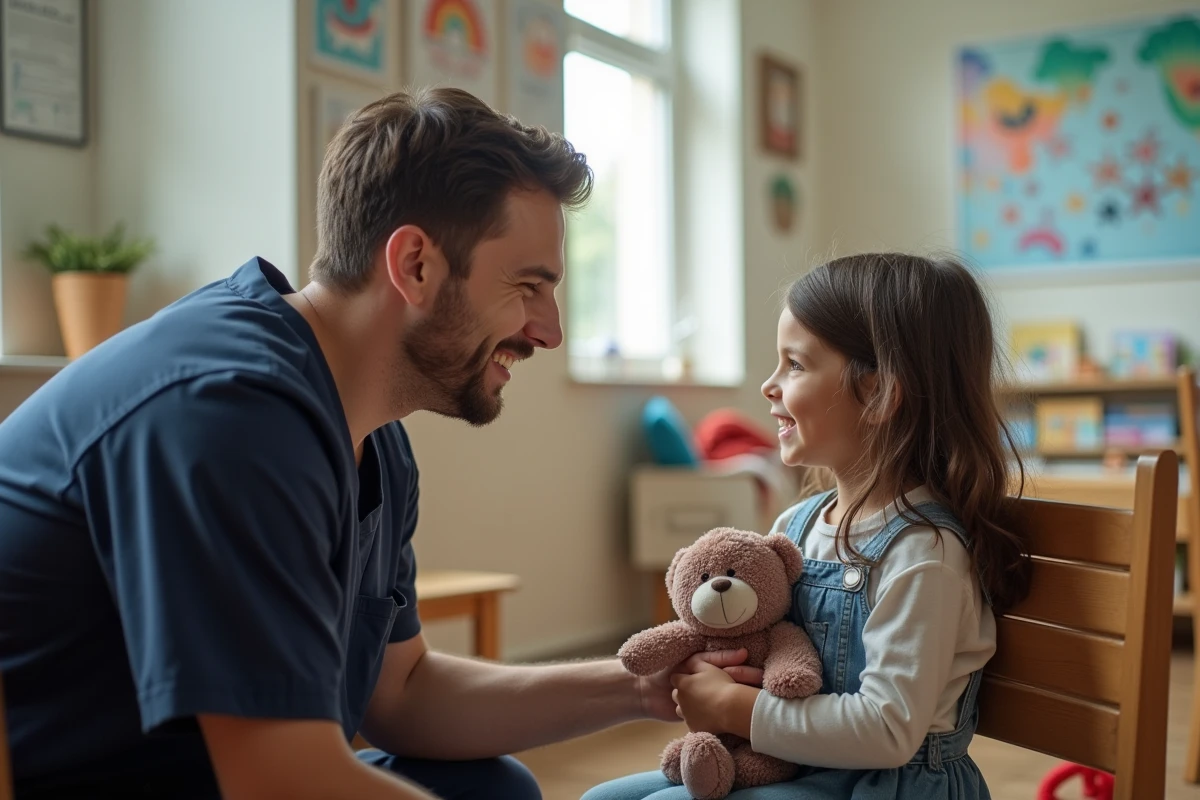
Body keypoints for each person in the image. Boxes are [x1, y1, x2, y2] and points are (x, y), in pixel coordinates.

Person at [0, 87, 743, 800]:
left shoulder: (370, 436)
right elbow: (283, 782)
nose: (549, 330)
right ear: (415, 264)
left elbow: (403, 693)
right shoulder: (230, 413)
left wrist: (645, 682)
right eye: (528, 287)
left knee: (488, 788)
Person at [584, 252, 1032, 800]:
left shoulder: (923, 554)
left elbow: (888, 731)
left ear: (881, 392)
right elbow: (766, 645)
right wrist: (720, 671)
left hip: (888, 785)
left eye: (794, 365)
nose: (770, 386)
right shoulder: (796, 526)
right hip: (800, 766)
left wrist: (734, 706)